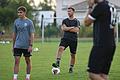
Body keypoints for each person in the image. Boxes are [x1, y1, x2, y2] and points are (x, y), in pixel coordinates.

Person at [84, 0, 116, 80]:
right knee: (103, 75)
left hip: (101, 45)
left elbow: (86, 22)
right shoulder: (112, 6)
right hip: (111, 44)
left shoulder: (100, 6)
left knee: (92, 74)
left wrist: (90, 7)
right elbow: (114, 28)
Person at [52, 7, 80, 73]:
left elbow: (76, 30)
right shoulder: (65, 20)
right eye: (68, 11)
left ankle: (71, 68)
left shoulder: (76, 21)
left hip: (73, 40)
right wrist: (71, 27)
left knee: (73, 55)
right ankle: (58, 62)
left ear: (73, 12)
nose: (68, 12)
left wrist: (67, 28)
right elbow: (63, 29)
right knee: (60, 48)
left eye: (70, 11)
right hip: (65, 38)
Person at [12, 6, 35, 80]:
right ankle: (15, 77)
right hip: (17, 45)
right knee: (16, 61)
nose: (19, 14)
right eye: (18, 12)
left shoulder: (29, 22)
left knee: (27, 61)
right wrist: (13, 46)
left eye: (20, 12)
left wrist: (31, 45)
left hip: (26, 46)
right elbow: (14, 34)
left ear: (24, 13)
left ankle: (27, 77)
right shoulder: (16, 21)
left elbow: (32, 35)